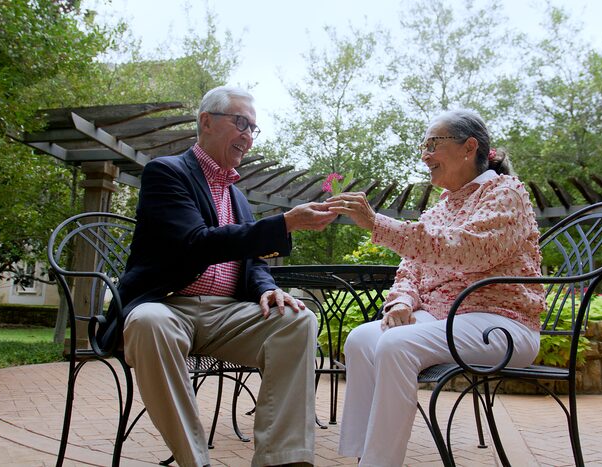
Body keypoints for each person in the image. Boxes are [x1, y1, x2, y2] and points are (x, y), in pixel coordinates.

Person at [100, 86, 337, 467]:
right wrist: (286, 222)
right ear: (206, 122)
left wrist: (268, 290)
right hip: (167, 305)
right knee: (147, 323)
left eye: (253, 128)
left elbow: (254, 262)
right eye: (240, 122)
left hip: (226, 314)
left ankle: (283, 459)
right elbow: (195, 243)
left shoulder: (238, 197)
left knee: (297, 320)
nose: (247, 134)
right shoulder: (167, 173)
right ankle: (196, 461)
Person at [325, 109, 546, 466]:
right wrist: (401, 302)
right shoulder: (442, 205)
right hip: (443, 320)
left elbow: (465, 250)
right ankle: (363, 455)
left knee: (397, 345)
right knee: (362, 339)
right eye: (423, 146)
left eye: (433, 144)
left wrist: (377, 223)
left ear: (468, 146)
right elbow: (411, 267)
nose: (425, 155)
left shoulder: (506, 193)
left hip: (501, 323)